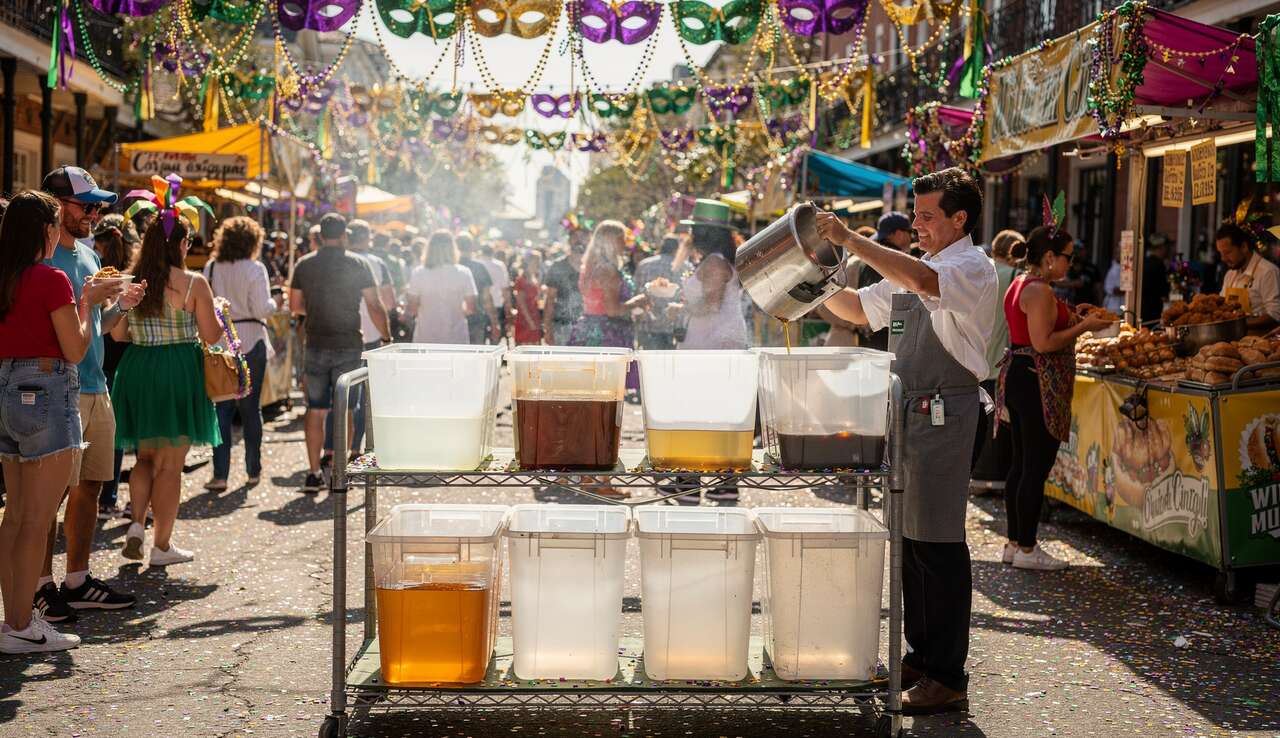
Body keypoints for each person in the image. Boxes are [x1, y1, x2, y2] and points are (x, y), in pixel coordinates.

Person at [815, 167, 997, 714]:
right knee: (913, 544)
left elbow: (923, 283)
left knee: (939, 546)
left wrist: (851, 240)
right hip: (908, 414)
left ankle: (948, 675)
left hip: (947, 413)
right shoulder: (910, 269)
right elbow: (853, 309)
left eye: (926, 216)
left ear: (959, 219)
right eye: (914, 215)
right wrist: (806, 287)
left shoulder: (970, 266)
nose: (916, 226)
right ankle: (919, 658)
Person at [39, 167, 142, 621]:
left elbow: (98, 328)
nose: (96, 214)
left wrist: (120, 304)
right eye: (87, 206)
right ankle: (38, 585)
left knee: (93, 486)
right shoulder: (36, 259)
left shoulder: (88, 254)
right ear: (56, 205)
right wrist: (92, 300)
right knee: (49, 493)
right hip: (58, 387)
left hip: (97, 384)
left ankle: (76, 580)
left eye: (99, 206)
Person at [0, 191, 97, 653]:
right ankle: (21, 624)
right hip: (46, 388)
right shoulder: (50, 278)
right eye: (56, 223)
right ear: (44, 229)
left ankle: (14, 619)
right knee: (37, 520)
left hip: (4, 388)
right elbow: (76, 348)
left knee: (15, 516)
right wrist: (89, 303)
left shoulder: (5, 277)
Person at [111, 204, 224, 567]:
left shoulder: (132, 280)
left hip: (139, 367)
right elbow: (211, 335)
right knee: (171, 466)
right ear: (181, 244)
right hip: (178, 370)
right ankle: (161, 546)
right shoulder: (194, 283)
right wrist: (218, 310)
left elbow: (118, 333)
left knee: (144, 458)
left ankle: (135, 525)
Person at [999, 227, 1112, 573]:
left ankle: (1016, 543)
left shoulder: (1023, 283)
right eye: (1068, 256)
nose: (1070, 263)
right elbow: (1044, 343)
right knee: (1034, 468)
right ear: (1050, 257)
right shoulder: (1038, 290)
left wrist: (1074, 316)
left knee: (1021, 465)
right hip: (1036, 380)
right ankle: (1028, 548)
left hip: (1021, 375)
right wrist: (1085, 326)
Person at [289, 213, 390, 493]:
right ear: (344, 234)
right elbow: (375, 304)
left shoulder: (304, 264)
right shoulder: (359, 263)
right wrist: (386, 336)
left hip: (316, 342)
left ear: (320, 235)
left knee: (316, 409)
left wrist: (318, 309)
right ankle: (339, 472)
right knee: (345, 408)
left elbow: (295, 305)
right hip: (348, 343)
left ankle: (312, 473)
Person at [665, 201, 751, 504]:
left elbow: (711, 305)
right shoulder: (718, 259)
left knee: (697, 414)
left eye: (694, 229)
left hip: (712, 346)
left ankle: (690, 483)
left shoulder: (714, 262)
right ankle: (717, 482)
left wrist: (679, 308)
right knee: (713, 415)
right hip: (711, 345)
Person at [203, 216, 275, 491]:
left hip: (221, 342)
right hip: (252, 340)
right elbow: (261, 309)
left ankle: (220, 474)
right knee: (250, 409)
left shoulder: (211, 267)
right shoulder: (255, 269)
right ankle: (253, 470)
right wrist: (274, 302)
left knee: (222, 409)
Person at [91, 215, 136, 520]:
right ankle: (108, 497)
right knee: (115, 433)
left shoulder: (96, 273)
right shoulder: (131, 275)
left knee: (98, 431)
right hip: (127, 357)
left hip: (101, 356)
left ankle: (99, 495)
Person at [339, 220, 395, 457]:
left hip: (343, 331)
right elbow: (388, 301)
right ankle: (355, 446)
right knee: (364, 396)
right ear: (367, 238)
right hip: (371, 334)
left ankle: (335, 448)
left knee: (342, 394)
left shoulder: (338, 261)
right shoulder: (378, 263)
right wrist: (387, 334)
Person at [571, 221, 646, 388]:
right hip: (608, 335)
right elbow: (612, 310)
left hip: (588, 330)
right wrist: (637, 301)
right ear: (610, 241)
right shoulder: (608, 270)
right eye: (621, 239)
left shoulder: (590, 266)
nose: (625, 243)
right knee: (609, 392)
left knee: (591, 390)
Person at [975, 230, 1023, 474]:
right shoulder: (1017, 277)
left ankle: (980, 473)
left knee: (982, 417)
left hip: (977, 353)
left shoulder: (982, 272)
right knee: (1000, 421)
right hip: (1002, 358)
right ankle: (995, 474)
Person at [854, 212, 914, 350]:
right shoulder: (897, 260)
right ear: (899, 234)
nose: (912, 238)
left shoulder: (867, 259)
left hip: (866, 337)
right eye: (910, 232)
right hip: (887, 339)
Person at [406, 231, 477, 344]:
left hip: (426, 337)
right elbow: (471, 308)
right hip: (456, 336)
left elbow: (412, 309)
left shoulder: (418, 273)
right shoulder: (464, 272)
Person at [1217, 222, 1280, 331]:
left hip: (1260, 341)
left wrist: (1238, 325)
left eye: (1227, 253)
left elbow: (1275, 315)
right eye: (1221, 254)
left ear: (1244, 247)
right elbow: (1221, 306)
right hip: (1233, 340)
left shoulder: (1268, 272)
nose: (1223, 259)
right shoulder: (1230, 275)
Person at [633, 235, 681, 350]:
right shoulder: (683, 266)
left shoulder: (644, 264)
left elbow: (636, 292)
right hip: (672, 327)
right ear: (677, 250)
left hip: (647, 326)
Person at [457, 234, 500, 344]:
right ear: (471, 247)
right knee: (476, 357)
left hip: (454, 321)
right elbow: (487, 298)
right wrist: (495, 323)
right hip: (476, 319)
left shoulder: (450, 268)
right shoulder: (479, 267)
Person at [543, 237, 586, 345]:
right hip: (562, 325)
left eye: (582, 251)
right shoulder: (558, 266)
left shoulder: (588, 268)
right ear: (570, 250)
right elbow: (550, 299)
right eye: (576, 251)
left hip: (585, 326)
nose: (579, 254)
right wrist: (548, 329)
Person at [480, 243, 513, 341]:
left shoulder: (478, 264)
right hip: (497, 305)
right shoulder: (499, 265)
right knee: (496, 338)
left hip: (482, 306)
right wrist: (508, 309)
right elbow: (505, 289)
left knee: (481, 340)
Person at [511, 250, 544, 345]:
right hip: (525, 320)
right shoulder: (521, 280)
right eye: (536, 262)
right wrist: (530, 322)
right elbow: (521, 304)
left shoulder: (534, 278)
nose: (538, 264)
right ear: (528, 263)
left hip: (534, 317)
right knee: (526, 349)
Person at [1140, 233, 1171, 323]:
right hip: (1152, 309)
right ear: (1160, 248)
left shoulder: (1143, 262)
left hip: (1141, 308)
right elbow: (1164, 290)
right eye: (1166, 248)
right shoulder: (1158, 264)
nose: (1167, 251)